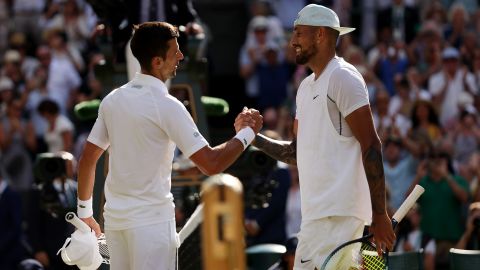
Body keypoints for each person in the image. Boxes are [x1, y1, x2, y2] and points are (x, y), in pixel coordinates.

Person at [76, 22, 262, 270]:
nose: (181, 56)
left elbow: (88, 158)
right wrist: (247, 134)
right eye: (175, 51)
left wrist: (85, 213)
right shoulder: (168, 105)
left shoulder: (112, 99)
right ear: (156, 61)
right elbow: (211, 163)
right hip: (151, 227)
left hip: (116, 224)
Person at [248, 4, 396, 269]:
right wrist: (252, 138)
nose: (292, 41)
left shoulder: (343, 77)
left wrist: (379, 214)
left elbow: (371, 145)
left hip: (341, 217)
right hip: (314, 219)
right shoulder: (304, 88)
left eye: (298, 33)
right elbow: (295, 152)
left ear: (320, 35)